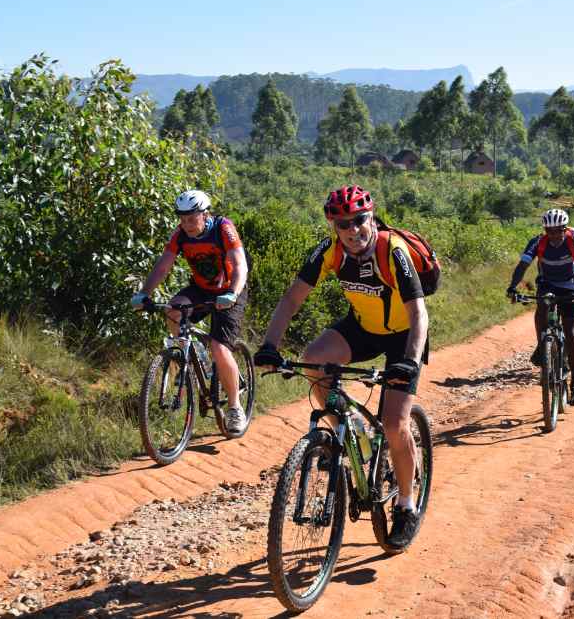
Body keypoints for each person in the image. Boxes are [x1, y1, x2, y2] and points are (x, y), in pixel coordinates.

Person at [254, 185, 429, 551]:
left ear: (371, 216)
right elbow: (292, 298)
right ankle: (351, 429)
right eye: (342, 223)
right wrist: (270, 345)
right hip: (362, 328)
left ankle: (406, 506)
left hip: (403, 336)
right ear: (333, 224)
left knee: (396, 423)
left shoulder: (391, 250)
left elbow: (418, 313)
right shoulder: (329, 251)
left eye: (359, 220)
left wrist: (409, 362)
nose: (353, 230)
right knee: (314, 359)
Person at [131, 190, 251, 437]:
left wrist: (232, 293)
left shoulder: (223, 228)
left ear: (205, 214)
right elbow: (163, 265)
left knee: (219, 348)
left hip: (230, 289)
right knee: (173, 311)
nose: (186, 224)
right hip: (201, 289)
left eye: (191, 218)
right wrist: (144, 293)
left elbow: (240, 264)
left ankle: (234, 407)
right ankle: (189, 359)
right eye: (182, 218)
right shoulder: (180, 236)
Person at [506, 208, 574, 406]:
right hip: (547, 284)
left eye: (558, 230)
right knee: (542, 309)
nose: (554, 235)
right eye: (550, 230)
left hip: (571, 285)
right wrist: (513, 287)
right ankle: (542, 345)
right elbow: (523, 266)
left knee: (572, 333)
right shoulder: (538, 242)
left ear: (565, 229)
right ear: (545, 230)